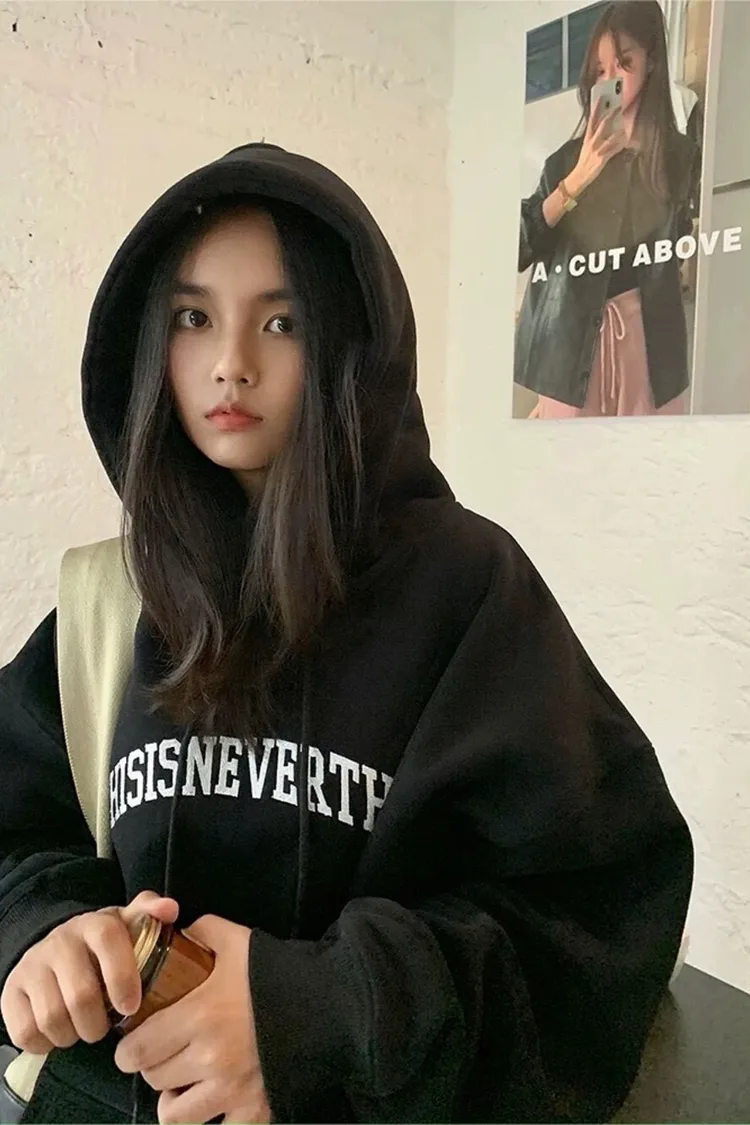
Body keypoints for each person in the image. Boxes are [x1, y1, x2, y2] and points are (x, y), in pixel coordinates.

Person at [0, 140, 692, 1124]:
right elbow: (18, 829)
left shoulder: (468, 589)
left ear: (350, 345)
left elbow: (599, 908)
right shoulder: (116, 599)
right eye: (194, 318)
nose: (231, 363)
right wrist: (48, 929)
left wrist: (317, 1015)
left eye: (282, 321)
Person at [516, 0, 700, 418]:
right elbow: (518, 248)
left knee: (650, 457)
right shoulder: (564, 163)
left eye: (624, 63)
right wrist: (580, 176)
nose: (610, 79)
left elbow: (680, 247)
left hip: (651, 353)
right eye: (599, 70)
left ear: (651, 63)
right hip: (568, 354)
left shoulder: (680, 158)